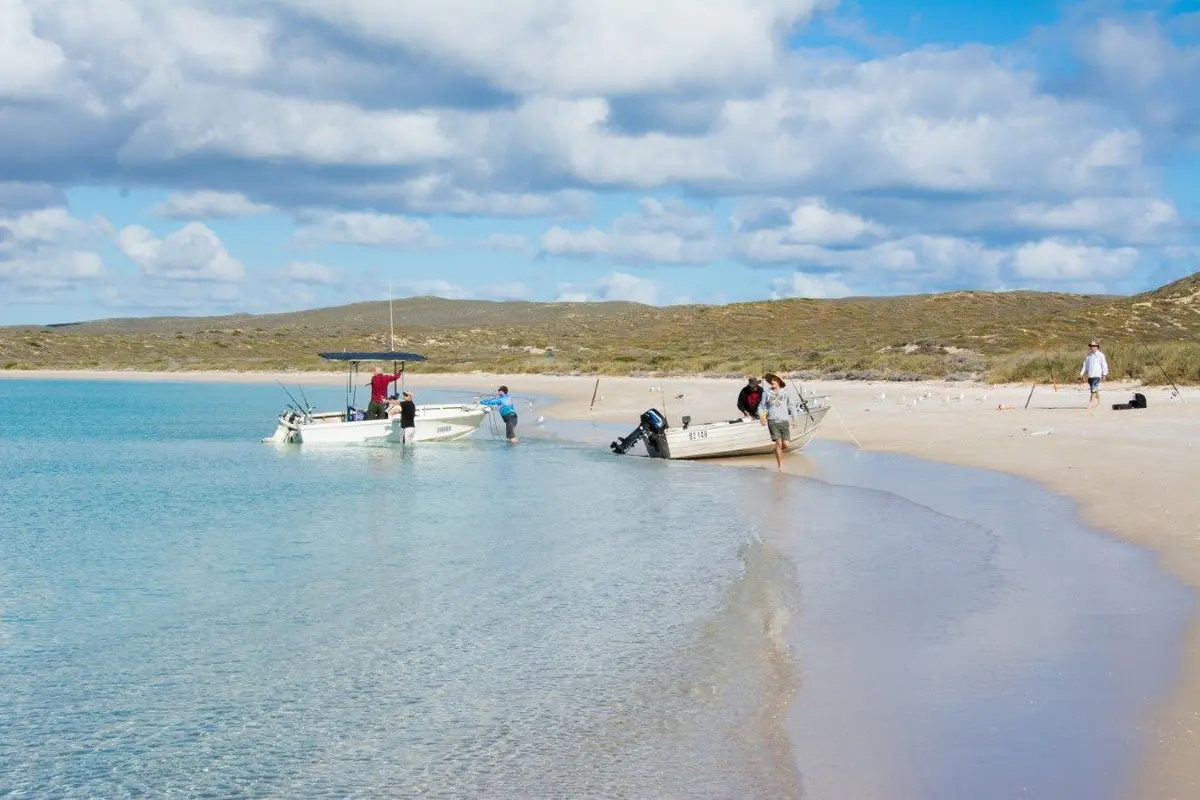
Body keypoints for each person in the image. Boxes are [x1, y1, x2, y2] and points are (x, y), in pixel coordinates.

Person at [758, 373, 795, 469]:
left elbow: (791, 406)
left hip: (784, 421)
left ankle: (777, 451)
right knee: (778, 443)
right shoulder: (766, 392)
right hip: (772, 421)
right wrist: (762, 417)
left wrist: (795, 419)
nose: (772, 381)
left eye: (774, 380)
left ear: (779, 381)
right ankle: (780, 465)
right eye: (771, 380)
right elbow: (762, 406)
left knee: (786, 444)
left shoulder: (786, 392)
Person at [1079, 340, 1108, 410]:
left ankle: (1090, 404)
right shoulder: (1089, 355)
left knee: (1093, 390)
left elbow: (1104, 364)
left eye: (1093, 346)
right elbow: (1085, 365)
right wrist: (1081, 373)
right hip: (1090, 375)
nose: (1092, 347)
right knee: (1095, 389)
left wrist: (1104, 374)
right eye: (1091, 346)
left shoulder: (1101, 355)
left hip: (1097, 375)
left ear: (1097, 347)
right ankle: (1100, 403)